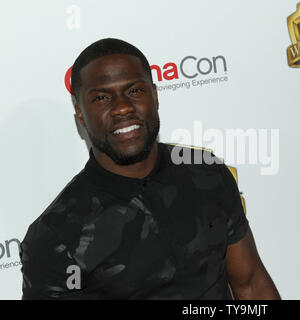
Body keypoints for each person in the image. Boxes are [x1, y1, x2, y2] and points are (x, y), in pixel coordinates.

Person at [19, 38, 281, 300]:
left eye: (134, 91)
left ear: (154, 95)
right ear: (79, 111)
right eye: (101, 97)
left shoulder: (206, 172)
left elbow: (251, 284)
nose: (122, 107)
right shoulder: (55, 235)